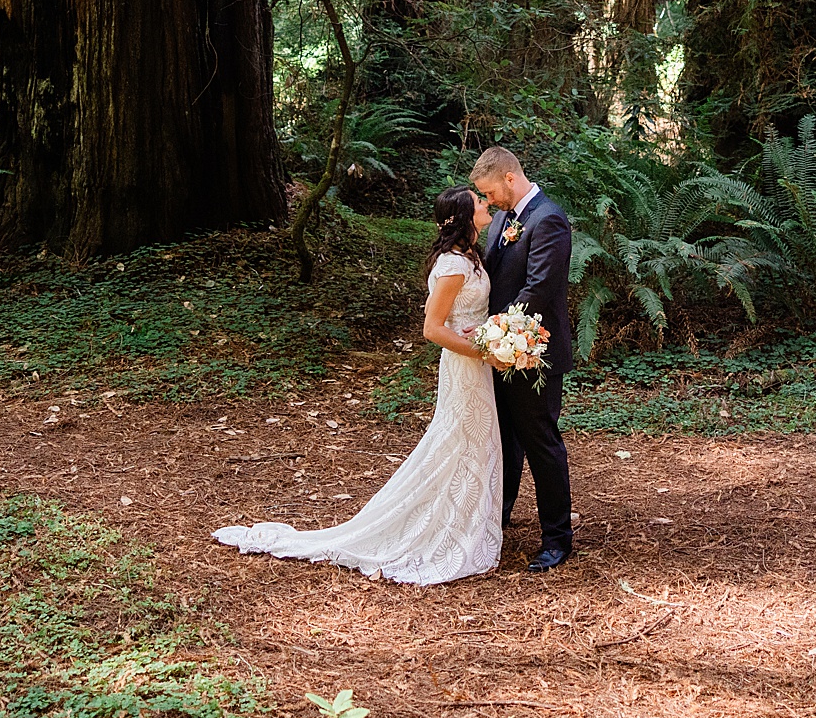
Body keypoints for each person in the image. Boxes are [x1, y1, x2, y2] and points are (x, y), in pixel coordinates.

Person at [212, 186, 503, 585]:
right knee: (457, 440)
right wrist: (482, 351)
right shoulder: (453, 265)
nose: (487, 204)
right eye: (479, 201)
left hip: (477, 364)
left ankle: (465, 516)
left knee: (474, 442)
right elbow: (433, 329)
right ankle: (438, 526)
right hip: (466, 365)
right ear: (464, 216)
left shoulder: (470, 256)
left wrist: (491, 334)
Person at [470, 146, 575, 573]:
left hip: (533, 353)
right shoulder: (502, 220)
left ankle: (557, 537)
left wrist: (490, 333)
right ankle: (502, 514)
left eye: (490, 191)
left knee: (540, 443)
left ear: (509, 179)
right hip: (500, 351)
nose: (488, 200)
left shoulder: (548, 219)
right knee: (504, 438)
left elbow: (537, 291)